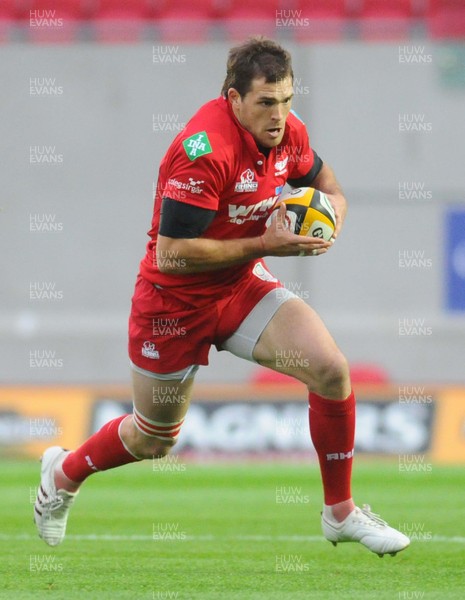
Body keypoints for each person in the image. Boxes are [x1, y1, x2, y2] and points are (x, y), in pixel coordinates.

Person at [34, 37, 409, 557]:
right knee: (153, 438)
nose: (279, 115)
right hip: (173, 305)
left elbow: (330, 185)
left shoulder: (287, 135)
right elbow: (171, 254)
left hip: (239, 289)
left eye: (286, 100)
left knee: (330, 369)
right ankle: (64, 472)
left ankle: (340, 512)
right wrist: (265, 243)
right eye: (265, 103)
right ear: (234, 99)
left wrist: (333, 217)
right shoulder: (204, 152)